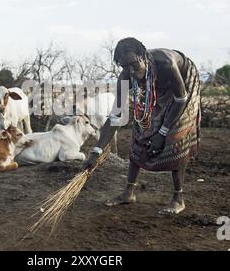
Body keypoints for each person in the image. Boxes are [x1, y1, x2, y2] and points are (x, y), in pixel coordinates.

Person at [83, 37, 201, 215]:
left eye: (132, 64)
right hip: (154, 85)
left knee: (176, 133)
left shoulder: (166, 63)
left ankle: (178, 197)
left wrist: (162, 132)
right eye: (124, 66)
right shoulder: (126, 77)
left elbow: (180, 99)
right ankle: (129, 191)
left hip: (183, 85)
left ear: (143, 56)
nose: (130, 70)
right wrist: (97, 150)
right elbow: (116, 115)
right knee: (141, 127)